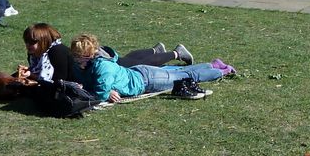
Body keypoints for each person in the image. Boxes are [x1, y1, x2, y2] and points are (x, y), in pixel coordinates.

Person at [69, 33, 232, 102]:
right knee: (181, 71)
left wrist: (106, 92)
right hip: (141, 73)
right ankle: (213, 64)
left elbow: (99, 93)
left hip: (147, 80)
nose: (77, 60)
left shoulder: (102, 66)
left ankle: (221, 70)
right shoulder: (83, 65)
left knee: (187, 76)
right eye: (75, 56)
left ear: (91, 55)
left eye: (80, 57)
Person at [21, 24, 196, 84]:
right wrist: (30, 72)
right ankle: (155, 50)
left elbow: (54, 79)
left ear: (44, 40)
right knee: (127, 59)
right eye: (27, 42)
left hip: (97, 61)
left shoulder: (55, 52)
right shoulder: (41, 53)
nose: (29, 45)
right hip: (94, 56)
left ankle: (176, 53)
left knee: (133, 65)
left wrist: (33, 78)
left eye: (33, 42)